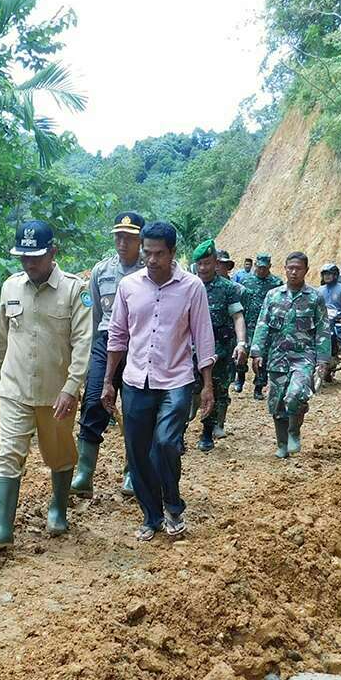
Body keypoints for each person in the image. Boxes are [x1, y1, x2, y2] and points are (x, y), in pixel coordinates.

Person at [0, 221, 93, 551]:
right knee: (9, 453)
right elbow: (1, 336)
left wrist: (72, 387)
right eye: (24, 257)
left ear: (53, 252)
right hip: (14, 388)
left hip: (57, 393)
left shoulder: (74, 291)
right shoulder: (10, 287)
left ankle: (57, 507)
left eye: (36, 257)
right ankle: (2, 528)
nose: (29, 264)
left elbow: (84, 343)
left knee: (58, 453)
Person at [101, 221, 215, 541]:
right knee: (137, 452)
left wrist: (207, 385)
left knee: (165, 443)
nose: (152, 260)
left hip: (176, 379)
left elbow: (203, 337)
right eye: (147, 253)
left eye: (159, 254)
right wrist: (108, 381)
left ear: (172, 253)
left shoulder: (192, 287)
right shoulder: (129, 286)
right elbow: (118, 336)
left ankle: (173, 504)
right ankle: (152, 515)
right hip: (136, 379)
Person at [70, 211, 146, 498]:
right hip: (105, 342)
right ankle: (84, 473)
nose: (123, 242)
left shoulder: (147, 272)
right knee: (93, 403)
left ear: (140, 240)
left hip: (138, 345)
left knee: (136, 410)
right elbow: (95, 317)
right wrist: (91, 359)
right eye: (119, 236)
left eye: (129, 237)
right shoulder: (101, 271)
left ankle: (132, 473)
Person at [251, 251, 327, 459]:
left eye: (298, 268)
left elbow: (322, 329)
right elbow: (263, 324)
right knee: (277, 404)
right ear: (284, 269)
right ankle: (282, 444)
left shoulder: (314, 297)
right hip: (277, 356)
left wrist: (323, 359)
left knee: (295, 395)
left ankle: (294, 431)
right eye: (290, 268)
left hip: (303, 356)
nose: (294, 272)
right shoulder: (273, 295)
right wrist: (257, 351)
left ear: (306, 271)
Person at [191, 240, 246, 450]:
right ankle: (179, 430)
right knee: (188, 391)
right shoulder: (188, 286)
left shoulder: (228, 288)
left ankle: (207, 432)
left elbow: (238, 316)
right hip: (190, 350)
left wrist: (241, 343)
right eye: (199, 264)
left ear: (215, 263)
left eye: (207, 263)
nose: (203, 268)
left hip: (218, 351)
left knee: (213, 387)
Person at [233, 254, 280, 396]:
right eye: (259, 267)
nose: (261, 270)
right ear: (255, 266)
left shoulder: (276, 283)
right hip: (247, 324)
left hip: (265, 327)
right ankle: (240, 378)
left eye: (264, 268)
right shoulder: (246, 281)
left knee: (262, 358)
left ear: (269, 267)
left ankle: (258, 387)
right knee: (241, 354)